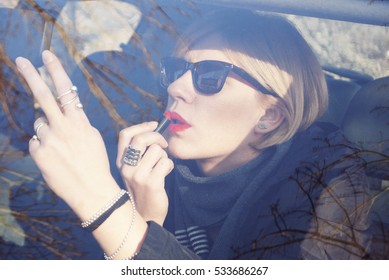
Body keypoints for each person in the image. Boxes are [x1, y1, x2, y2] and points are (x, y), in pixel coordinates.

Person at [15, 8, 372, 260]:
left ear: (270, 115)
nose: (177, 88)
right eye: (176, 70)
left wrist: (107, 208)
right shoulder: (149, 167)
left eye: (210, 76)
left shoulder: (330, 188)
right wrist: (146, 222)